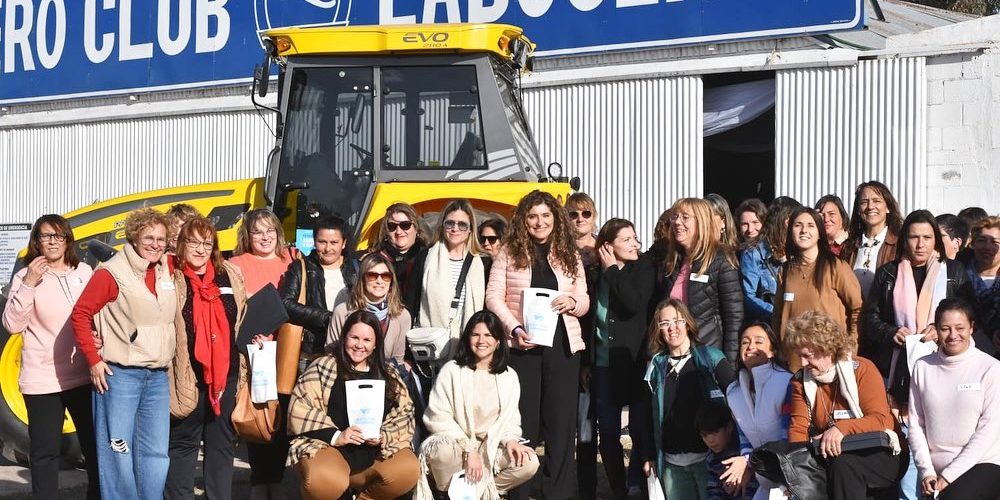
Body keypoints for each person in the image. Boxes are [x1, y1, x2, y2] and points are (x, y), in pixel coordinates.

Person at [859, 211, 976, 500]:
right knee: (911, 438)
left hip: (945, 365)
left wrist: (943, 328)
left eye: (927, 237)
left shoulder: (955, 272)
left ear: (936, 240)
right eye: (914, 237)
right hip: (901, 369)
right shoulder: (888, 273)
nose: (920, 244)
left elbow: (972, 316)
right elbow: (870, 319)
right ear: (905, 240)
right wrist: (891, 332)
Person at [486, 189, 590, 500]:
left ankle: (558, 492)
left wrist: (572, 301)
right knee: (523, 421)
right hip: (522, 347)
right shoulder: (508, 252)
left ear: (555, 219)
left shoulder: (569, 253)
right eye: (533, 216)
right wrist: (514, 327)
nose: (539, 222)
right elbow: (493, 297)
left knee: (561, 424)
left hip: (562, 346)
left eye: (545, 215)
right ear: (523, 220)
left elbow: (584, 299)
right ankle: (521, 489)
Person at [71, 208, 176, 500]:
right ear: (133, 237)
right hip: (121, 377)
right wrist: (93, 360)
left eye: (161, 238)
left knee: (155, 455)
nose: (155, 244)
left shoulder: (166, 268)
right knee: (118, 450)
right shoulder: (111, 273)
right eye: (149, 237)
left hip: (157, 377)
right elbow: (80, 314)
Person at [2, 215, 98, 499]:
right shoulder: (24, 276)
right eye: (46, 236)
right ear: (37, 241)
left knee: (93, 447)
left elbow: (96, 315)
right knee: (44, 454)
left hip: (83, 373)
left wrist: (98, 338)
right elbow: (12, 324)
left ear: (68, 240)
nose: (53, 242)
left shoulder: (84, 272)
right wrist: (31, 281)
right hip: (42, 379)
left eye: (59, 236)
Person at [287, 310, 420, 500]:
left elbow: (404, 413)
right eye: (354, 338)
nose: (359, 345)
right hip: (329, 449)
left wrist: (383, 436)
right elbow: (299, 409)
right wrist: (337, 436)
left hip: (373, 453)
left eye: (367, 340)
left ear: (375, 344)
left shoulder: (388, 374)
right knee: (325, 481)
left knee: (407, 469)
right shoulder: (323, 367)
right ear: (344, 339)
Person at [164, 216, 247, 499]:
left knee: (221, 444)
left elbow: (242, 318)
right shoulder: (169, 275)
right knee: (183, 444)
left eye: (207, 243)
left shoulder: (230, 274)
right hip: (187, 373)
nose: (200, 249)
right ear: (181, 244)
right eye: (194, 242)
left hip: (226, 373)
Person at [416, 310, 539, 499]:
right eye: (475, 334)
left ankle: (482, 493)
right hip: (457, 445)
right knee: (443, 451)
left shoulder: (509, 376)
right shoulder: (452, 371)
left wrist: (512, 440)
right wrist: (469, 448)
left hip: (490, 448)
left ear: (498, 341)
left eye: (488, 335)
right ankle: (446, 492)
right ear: (467, 339)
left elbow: (510, 420)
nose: (481, 340)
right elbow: (437, 416)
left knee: (529, 461)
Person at [785, 310, 908, 500]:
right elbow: (798, 429)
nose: (803, 363)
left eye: (808, 355)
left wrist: (841, 429)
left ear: (827, 348)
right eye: (799, 356)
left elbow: (881, 419)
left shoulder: (862, 369)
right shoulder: (800, 381)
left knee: (843, 465)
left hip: (882, 452)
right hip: (833, 455)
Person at [227, 208, 298, 500]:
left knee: (281, 420)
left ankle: (277, 483)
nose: (265, 237)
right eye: (257, 232)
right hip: (254, 353)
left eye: (270, 230)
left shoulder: (293, 259)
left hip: (288, 354)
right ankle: (259, 484)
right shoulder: (236, 264)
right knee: (258, 420)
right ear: (248, 236)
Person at [641, 299, 736, 500]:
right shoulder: (656, 366)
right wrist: (649, 454)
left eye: (677, 321)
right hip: (672, 465)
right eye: (664, 323)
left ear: (688, 323)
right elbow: (648, 415)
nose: (671, 328)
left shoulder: (712, 358)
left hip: (708, 462)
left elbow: (737, 400)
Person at [587, 218, 655, 499]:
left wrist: (613, 270)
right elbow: (588, 321)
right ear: (607, 246)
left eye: (634, 238)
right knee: (609, 431)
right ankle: (617, 487)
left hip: (635, 361)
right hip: (603, 364)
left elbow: (632, 303)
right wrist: (585, 364)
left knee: (639, 428)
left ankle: (638, 483)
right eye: (626, 239)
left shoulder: (644, 268)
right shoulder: (594, 273)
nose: (634, 244)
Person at [908, 298, 1000, 500]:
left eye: (960, 328)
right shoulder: (922, 367)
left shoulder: (990, 368)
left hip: (982, 463)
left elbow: (989, 430)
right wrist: (927, 472)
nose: (953, 335)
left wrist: (948, 476)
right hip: (935, 471)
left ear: (971, 328)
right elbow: (916, 424)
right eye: (945, 329)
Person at [772, 207, 862, 371]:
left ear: (820, 232)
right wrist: (780, 350)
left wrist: (852, 346)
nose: (804, 230)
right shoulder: (785, 271)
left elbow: (858, 308)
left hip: (829, 361)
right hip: (792, 364)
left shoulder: (836, 266)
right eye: (798, 225)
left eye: (810, 225)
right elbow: (778, 314)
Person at [657, 198, 744, 363]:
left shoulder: (721, 259)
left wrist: (730, 363)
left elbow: (734, 316)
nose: (677, 222)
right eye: (674, 217)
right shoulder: (673, 261)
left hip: (708, 353)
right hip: (675, 354)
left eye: (685, 217)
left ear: (701, 222)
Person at [406, 199, 490, 348]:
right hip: (430, 345)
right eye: (450, 223)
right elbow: (411, 302)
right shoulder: (426, 257)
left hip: (468, 347)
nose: (455, 229)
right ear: (442, 225)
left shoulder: (483, 264)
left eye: (462, 225)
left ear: (471, 229)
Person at [279, 216, 359, 370]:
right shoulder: (300, 267)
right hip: (313, 352)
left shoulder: (356, 268)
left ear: (344, 243)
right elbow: (286, 303)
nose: (328, 249)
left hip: (351, 352)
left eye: (334, 242)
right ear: (314, 242)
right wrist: (328, 317)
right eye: (322, 242)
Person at [724, 322, 792, 500]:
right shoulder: (733, 392)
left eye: (759, 341)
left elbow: (789, 439)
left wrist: (749, 462)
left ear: (772, 351)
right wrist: (747, 462)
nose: (751, 346)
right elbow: (744, 437)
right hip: (764, 482)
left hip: (792, 482)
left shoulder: (787, 383)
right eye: (745, 342)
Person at [328, 252, 410, 364]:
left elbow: (398, 360)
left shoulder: (402, 315)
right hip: (347, 374)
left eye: (385, 276)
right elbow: (331, 353)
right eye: (372, 275)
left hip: (385, 376)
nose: (379, 281)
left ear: (391, 281)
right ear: (362, 278)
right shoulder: (343, 312)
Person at [842, 181, 903, 297]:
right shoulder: (848, 247)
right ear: (858, 210)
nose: (870, 207)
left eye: (877, 201)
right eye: (864, 202)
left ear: (888, 208)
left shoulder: (900, 244)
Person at [739, 202, 796, 323]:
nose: (750, 229)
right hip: (770, 321)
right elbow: (748, 296)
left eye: (755, 223)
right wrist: (778, 313)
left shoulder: (799, 250)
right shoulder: (753, 253)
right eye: (744, 224)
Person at [695, 402, 758, 500]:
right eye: (705, 435)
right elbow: (714, 490)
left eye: (715, 432)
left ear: (729, 427)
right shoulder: (712, 458)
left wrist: (749, 470)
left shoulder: (747, 450)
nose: (710, 440)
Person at [369, 202, 430, 292]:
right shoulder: (374, 261)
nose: (398, 232)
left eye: (405, 225)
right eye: (392, 226)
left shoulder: (428, 257)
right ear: (386, 231)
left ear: (416, 228)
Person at [963, 216, 1000, 351]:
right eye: (981, 241)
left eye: (994, 242)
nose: (987, 247)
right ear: (972, 244)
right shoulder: (959, 275)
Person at [566, 192, 600, 269]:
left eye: (586, 213)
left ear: (594, 216)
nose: (580, 219)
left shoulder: (604, 246)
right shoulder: (559, 249)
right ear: (567, 218)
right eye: (574, 214)